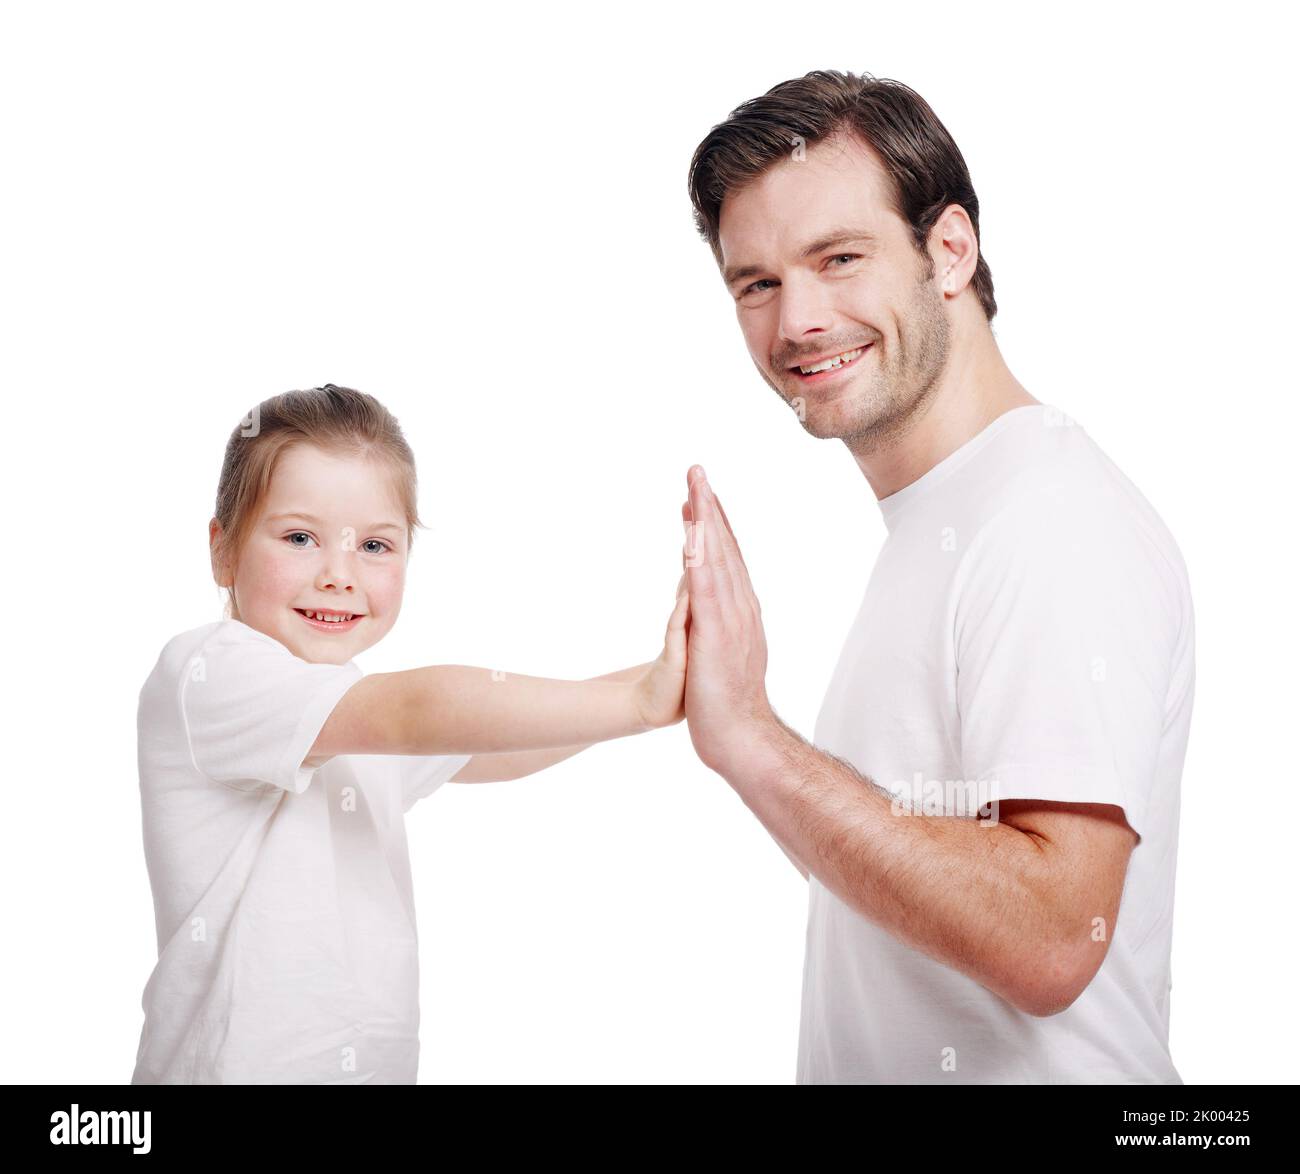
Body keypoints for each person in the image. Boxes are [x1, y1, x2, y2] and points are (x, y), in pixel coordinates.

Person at [676, 70, 1195, 1083]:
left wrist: (752, 740)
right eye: (757, 283)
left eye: (839, 258)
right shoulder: (949, 519)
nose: (797, 323)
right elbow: (910, 893)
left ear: (948, 249)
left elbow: (1050, 935)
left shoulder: (1048, 518)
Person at [131, 383, 688, 1084]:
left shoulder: (344, 707)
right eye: (300, 537)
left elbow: (489, 747)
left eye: (373, 545)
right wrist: (639, 702)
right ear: (223, 552)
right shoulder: (210, 674)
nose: (338, 575)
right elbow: (417, 712)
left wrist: (676, 676)